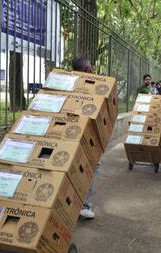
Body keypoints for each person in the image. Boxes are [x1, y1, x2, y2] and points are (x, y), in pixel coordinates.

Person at [72, 56, 100, 219]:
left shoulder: (67, 83)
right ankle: (85, 206)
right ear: (88, 70)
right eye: (91, 68)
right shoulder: (94, 86)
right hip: (86, 134)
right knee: (93, 165)